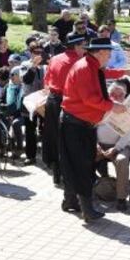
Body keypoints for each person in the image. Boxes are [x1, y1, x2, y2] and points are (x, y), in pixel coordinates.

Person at [59, 37, 126, 220]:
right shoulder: (84, 68)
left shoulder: (92, 65)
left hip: (81, 124)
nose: (110, 56)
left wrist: (127, 71)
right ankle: (87, 210)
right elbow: (89, 99)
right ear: (100, 53)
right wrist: (113, 107)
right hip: (75, 124)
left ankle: (70, 201)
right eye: (109, 53)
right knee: (81, 166)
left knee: (76, 165)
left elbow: (106, 74)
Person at [43, 32, 88, 184]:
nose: (85, 49)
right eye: (83, 46)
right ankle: (69, 174)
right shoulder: (80, 62)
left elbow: (47, 79)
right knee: (69, 140)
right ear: (75, 46)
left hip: (52, 101)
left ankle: (56, 173)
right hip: (69, 103)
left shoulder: (55, 58)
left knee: (54, 137)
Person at [96, 82, 130, 211]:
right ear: (108, 94)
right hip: (99, 145)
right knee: (83, 155)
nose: (117, 98)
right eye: (113, 94)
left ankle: (121, 198)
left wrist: (115, 148)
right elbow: (91, 128)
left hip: (121, 147)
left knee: (122, 161)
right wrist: (95, 145)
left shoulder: (129, 111)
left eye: (120, 95)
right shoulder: (100, 108)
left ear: (125, 96)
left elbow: (127, 136)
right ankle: (87, 191)